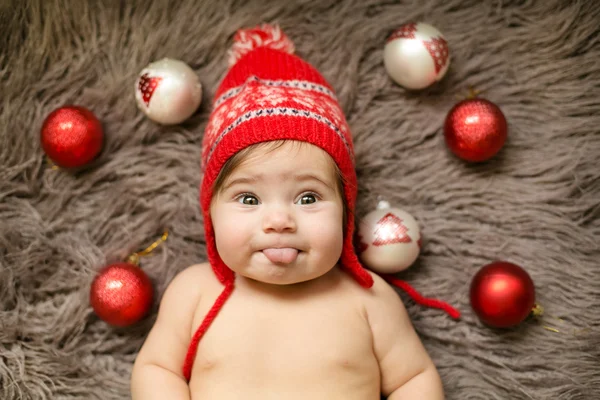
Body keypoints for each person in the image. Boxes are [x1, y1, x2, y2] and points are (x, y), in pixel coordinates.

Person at [131, 24, 445, 399]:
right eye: (249, 199)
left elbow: (414, 379)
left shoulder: (368, 300)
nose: (279, 222)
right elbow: (157, 369)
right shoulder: (195, 292)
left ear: (346, 208)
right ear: (209, 211)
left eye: (308, 198)